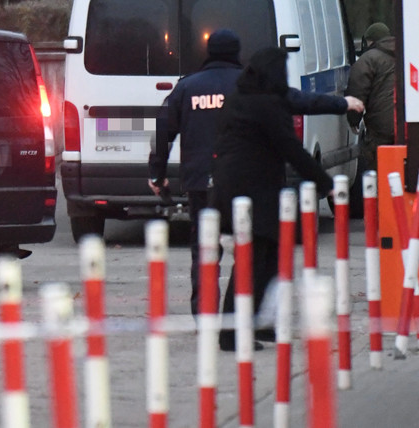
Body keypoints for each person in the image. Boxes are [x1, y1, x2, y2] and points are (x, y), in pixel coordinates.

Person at [149, 30, 363, 317]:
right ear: (237, 51)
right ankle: (248, 313)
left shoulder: (187, 87)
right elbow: (300, 100)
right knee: (252, 251)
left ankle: (205, 315)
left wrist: (157, 172)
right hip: (246, 182)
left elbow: (163, 130)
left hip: (201, 181)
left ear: (208, 51)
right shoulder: (250, 85)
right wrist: (343, 103)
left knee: (205, 252)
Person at [211, 47, 333, 352]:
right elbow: (291, 149)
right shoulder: (265, 105)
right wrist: (325, 183)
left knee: (270, 255)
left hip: (241, 186)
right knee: (254, 260)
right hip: (251, 190)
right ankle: (231, 332)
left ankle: (256, 323)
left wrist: (342, 103)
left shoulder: (246, 97)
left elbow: (301, 101)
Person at [346, 22, 396, 219]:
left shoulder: (368, 59)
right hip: (408, 127)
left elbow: (357, 92)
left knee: (379, 172)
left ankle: (385, 218)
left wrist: (353, 119)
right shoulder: (408, 53)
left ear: (371, 40)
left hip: (381, 129)